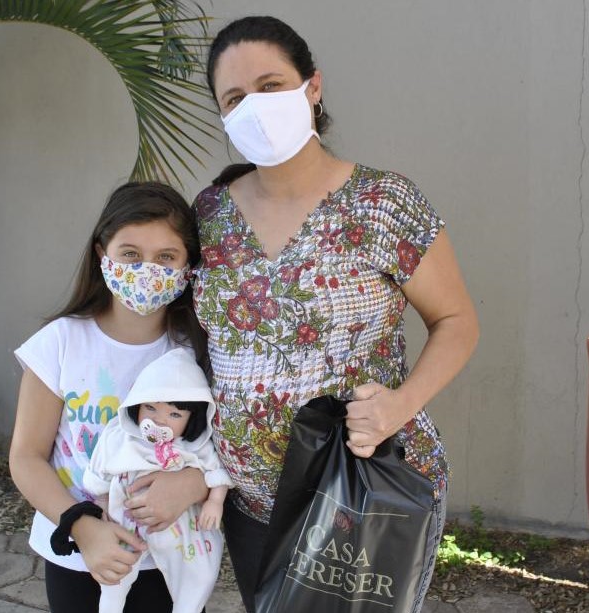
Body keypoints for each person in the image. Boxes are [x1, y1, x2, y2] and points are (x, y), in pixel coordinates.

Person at [193, 15, 480, 613]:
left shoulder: (383, 203)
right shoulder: (209, 214)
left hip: (361, 494)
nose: (257, 106)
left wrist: (400, 404)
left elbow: (457, 322)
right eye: (236, 98)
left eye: (271, 86)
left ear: (313, 87)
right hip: (251, 503)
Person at [9, 181, 211, 613]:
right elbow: (26, 457)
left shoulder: (195, 352)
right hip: (81, 561)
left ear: (188, 266)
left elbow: (215, 444)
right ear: (103, 254)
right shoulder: (59, 344)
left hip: (173, 559)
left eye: (166, 257)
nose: (146, 270)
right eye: (131, 254)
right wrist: (80, 526)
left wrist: (193, 484)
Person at [82, 347, 231, 613]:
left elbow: (216, 471)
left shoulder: (195, 446)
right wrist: (101, 506)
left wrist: (215, 502)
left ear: (192, 419)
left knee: (197, 573)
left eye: (175, 415)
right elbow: (98, 475)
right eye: (150, 407)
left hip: (180, 528)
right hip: (125, 521)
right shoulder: (121, 438)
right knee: (116, 575)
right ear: (136, 404)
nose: (159, 420)